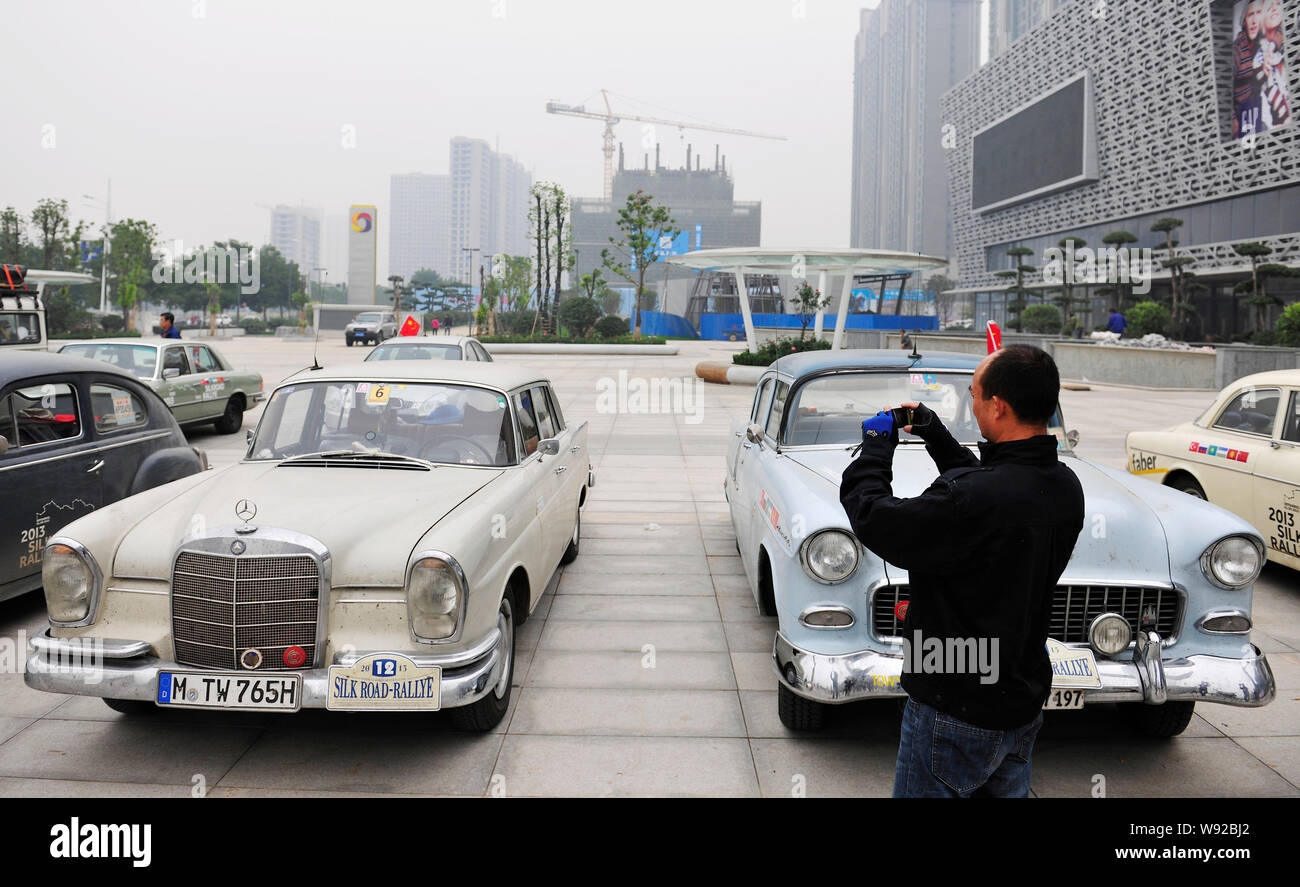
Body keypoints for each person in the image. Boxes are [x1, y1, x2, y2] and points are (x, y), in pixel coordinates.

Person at [839, 345, 1084, 797]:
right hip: (1019, 697)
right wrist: (937, 436)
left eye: (974, 394)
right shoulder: (1065, 486)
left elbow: (875, 517)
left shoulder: (969, 498)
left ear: (999, 406)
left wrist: (875, 449)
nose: (971, 404)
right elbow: (991, 494)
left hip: (955, 705)